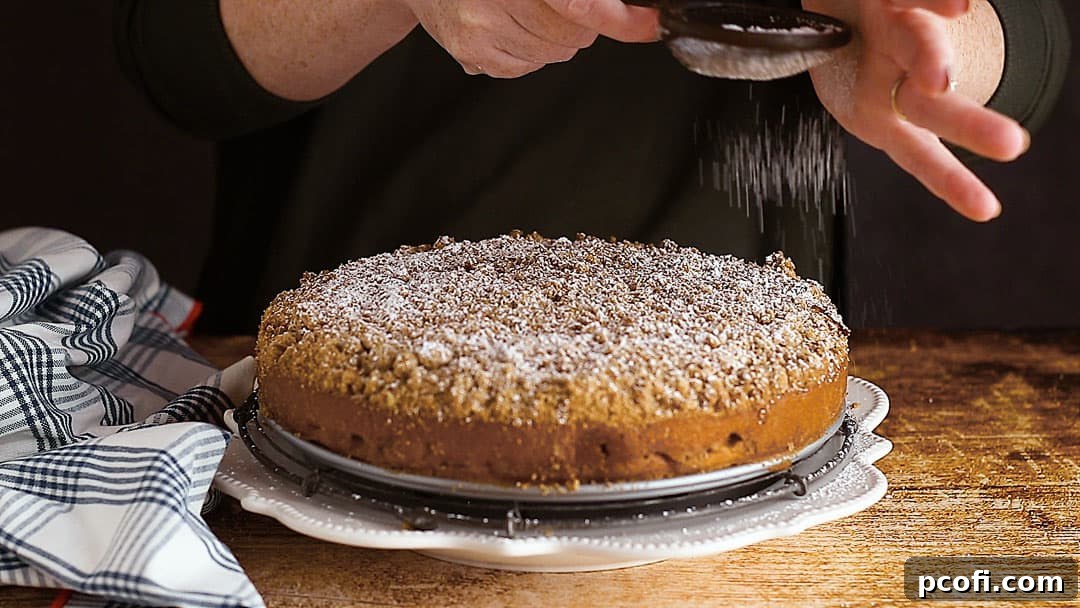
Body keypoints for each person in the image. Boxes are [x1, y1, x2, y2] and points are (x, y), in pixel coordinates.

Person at [114, 0, 1068, 333]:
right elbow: (174, 60)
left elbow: (1033, 39)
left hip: (739, 383)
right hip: (325, 331)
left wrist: (938, 47)